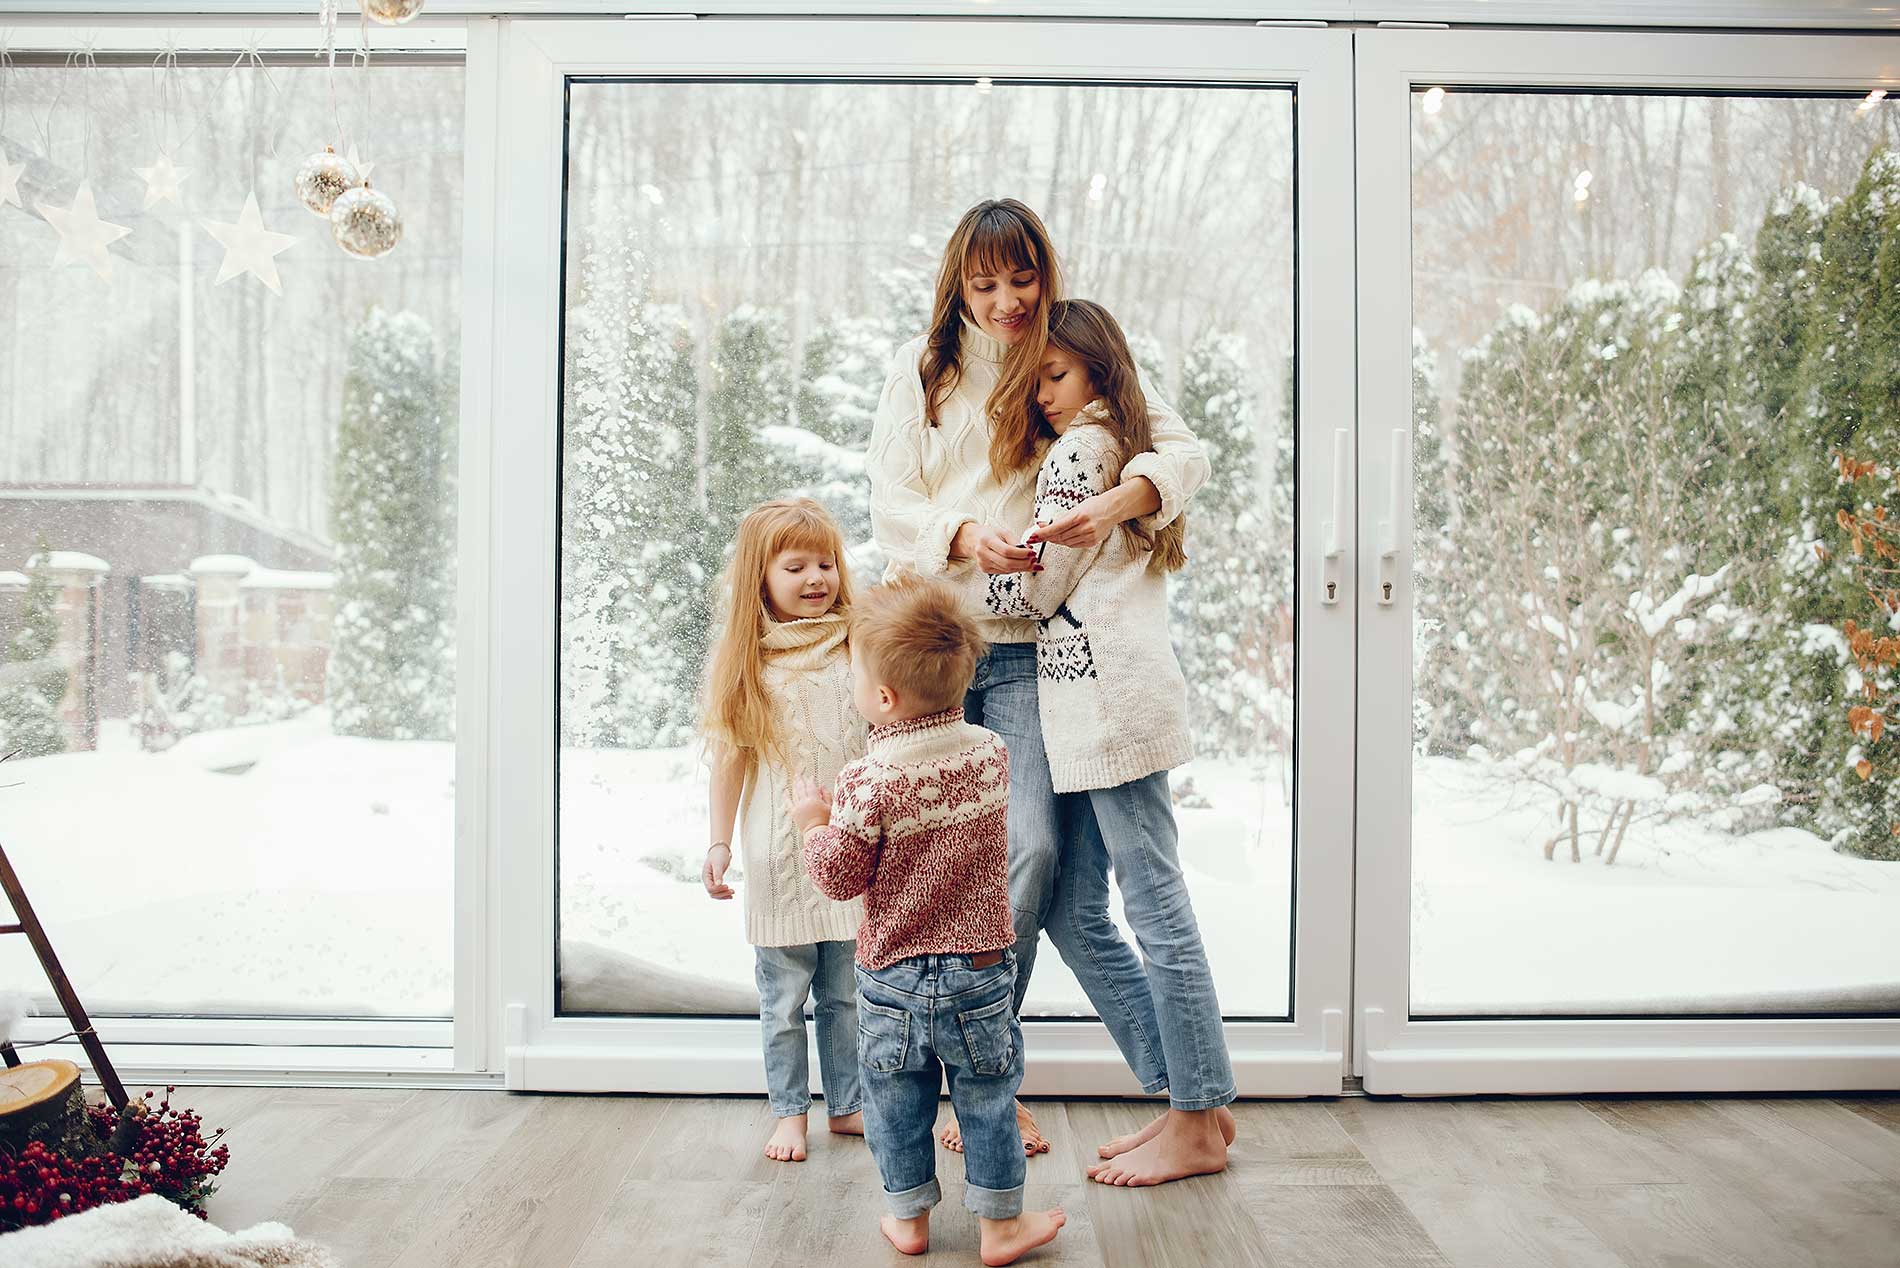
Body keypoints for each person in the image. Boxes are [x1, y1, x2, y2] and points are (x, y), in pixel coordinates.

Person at [865, 197, 1209, 1155]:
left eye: (1023, 279)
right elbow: (890, 504)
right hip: (931, 640)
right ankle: (975, 1090)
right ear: (957, 290)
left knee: (1031, 859)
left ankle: (980, 1067)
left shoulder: (1066, 355)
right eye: (986, 285)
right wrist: (965, 536)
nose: (1009, 301)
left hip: (1024, 654)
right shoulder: (921, 370)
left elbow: (1176, 450)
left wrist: (1111, 506)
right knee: (925, 870)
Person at [986, 298, 1238, 1185]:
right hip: (1103, 707)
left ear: (1095, 367)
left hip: (1108, 706)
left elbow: (1041, 591)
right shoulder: (1121, 443)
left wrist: (974, 580)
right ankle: (1186, 1099)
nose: (1044, 395)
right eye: (1036, 381)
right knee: (1076, 910)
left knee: (1155, 903)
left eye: (1054, 376)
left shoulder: (1081, 451)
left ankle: (1198, 1117)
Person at [795, 575, 1065, 1266]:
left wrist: (814, 825)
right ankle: (1001, 1226)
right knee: (987, 1097)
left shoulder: (867, 778)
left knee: (894, 1097)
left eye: (856, 674)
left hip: (892, 969)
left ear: (883, 697)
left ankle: (908, 1219)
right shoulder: (990, 753)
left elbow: (840, 875)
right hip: (978, 964)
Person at [700, 498, 867, 1163]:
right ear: (759, 578)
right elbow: (729, 760)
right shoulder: (748, 660)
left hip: (853, 849)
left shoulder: (859, 640)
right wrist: (718, 842)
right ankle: (791, 1112)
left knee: (848, 996)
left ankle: (849, 1105)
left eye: (825, 562)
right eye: (795, 566)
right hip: (778, 857)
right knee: (784, 1001)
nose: (815, 578)